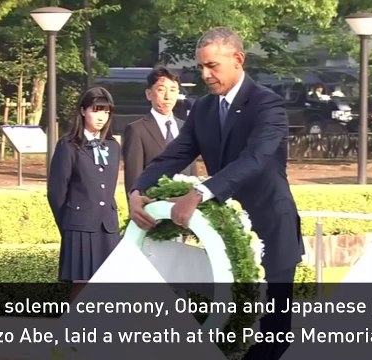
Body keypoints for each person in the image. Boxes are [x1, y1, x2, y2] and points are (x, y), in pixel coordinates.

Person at [127, 27, 304, 360]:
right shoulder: (203, 109)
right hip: (225, 238)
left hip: (271, 230)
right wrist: (138, 189)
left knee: (271, 334)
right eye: (201, 67)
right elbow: (173, 155)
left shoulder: (268, 104)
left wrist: (200, 193)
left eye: (213, 66)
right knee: (227, 330)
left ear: (238, 59)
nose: (205, 75)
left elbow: (255, 159)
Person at [47, 87, 120, 301]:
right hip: (79, 225)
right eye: (96, 111)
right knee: (83, 286)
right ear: (82, 111)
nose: (101, 117)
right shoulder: (68, 145)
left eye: (106, 112)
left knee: (110, 285)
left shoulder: (113, 146)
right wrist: (69, 224)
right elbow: (56, 192)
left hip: (108, 226)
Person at [122, 66, 197, 196]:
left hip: (184, 210)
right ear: (149, 94)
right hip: (152, 210)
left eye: (173, 90)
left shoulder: (186, 127)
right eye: (161, 90)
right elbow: (133, 180)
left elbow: (193, 175)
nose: (168, 96)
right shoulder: (137, 130)